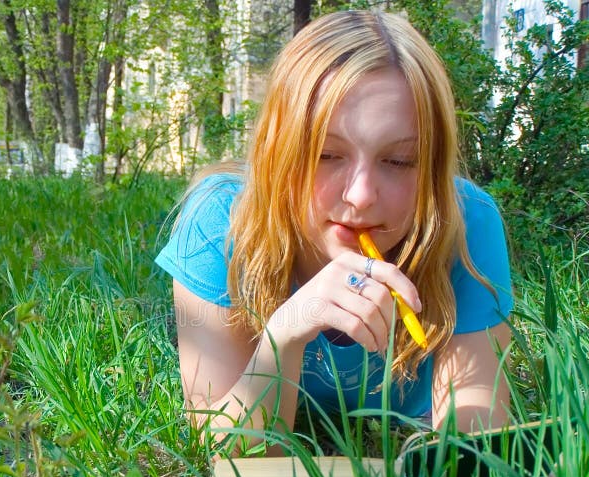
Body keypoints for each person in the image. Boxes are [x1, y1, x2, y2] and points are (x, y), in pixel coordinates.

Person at [156, 10, 514, 454]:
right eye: (327, 155)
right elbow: (222, 446)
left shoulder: (466, 224)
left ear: (432, 169)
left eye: (399, 160)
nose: (361, 195)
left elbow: (475, 446)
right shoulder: (218, 223)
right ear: (276, 153)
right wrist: (282, 336)